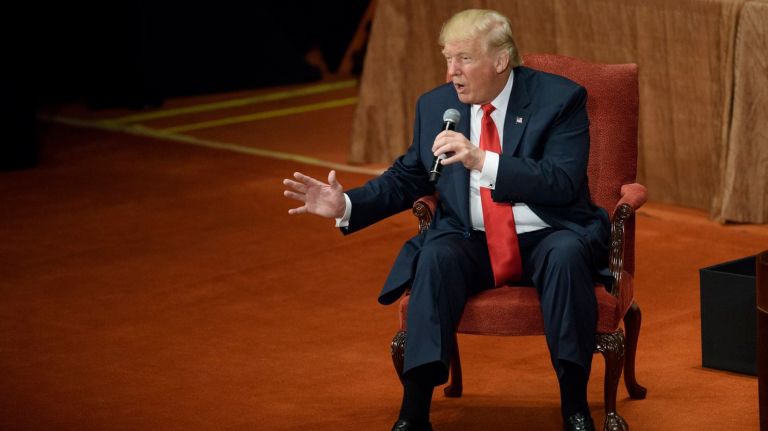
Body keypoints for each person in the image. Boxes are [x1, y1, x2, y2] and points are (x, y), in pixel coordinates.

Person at [283, 9, 609, 431]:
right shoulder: (436, 105)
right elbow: (406, 177)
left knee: (566, 256)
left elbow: (562, 182)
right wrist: (346, 204)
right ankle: (413, 412)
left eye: (464, 59)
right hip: (469, 236)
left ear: (500, 60)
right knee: (434, 257)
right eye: (447, 58)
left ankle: (575, 408)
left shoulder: (560, 99)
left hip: (547, 232)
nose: (452, 72)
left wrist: (481, 160)